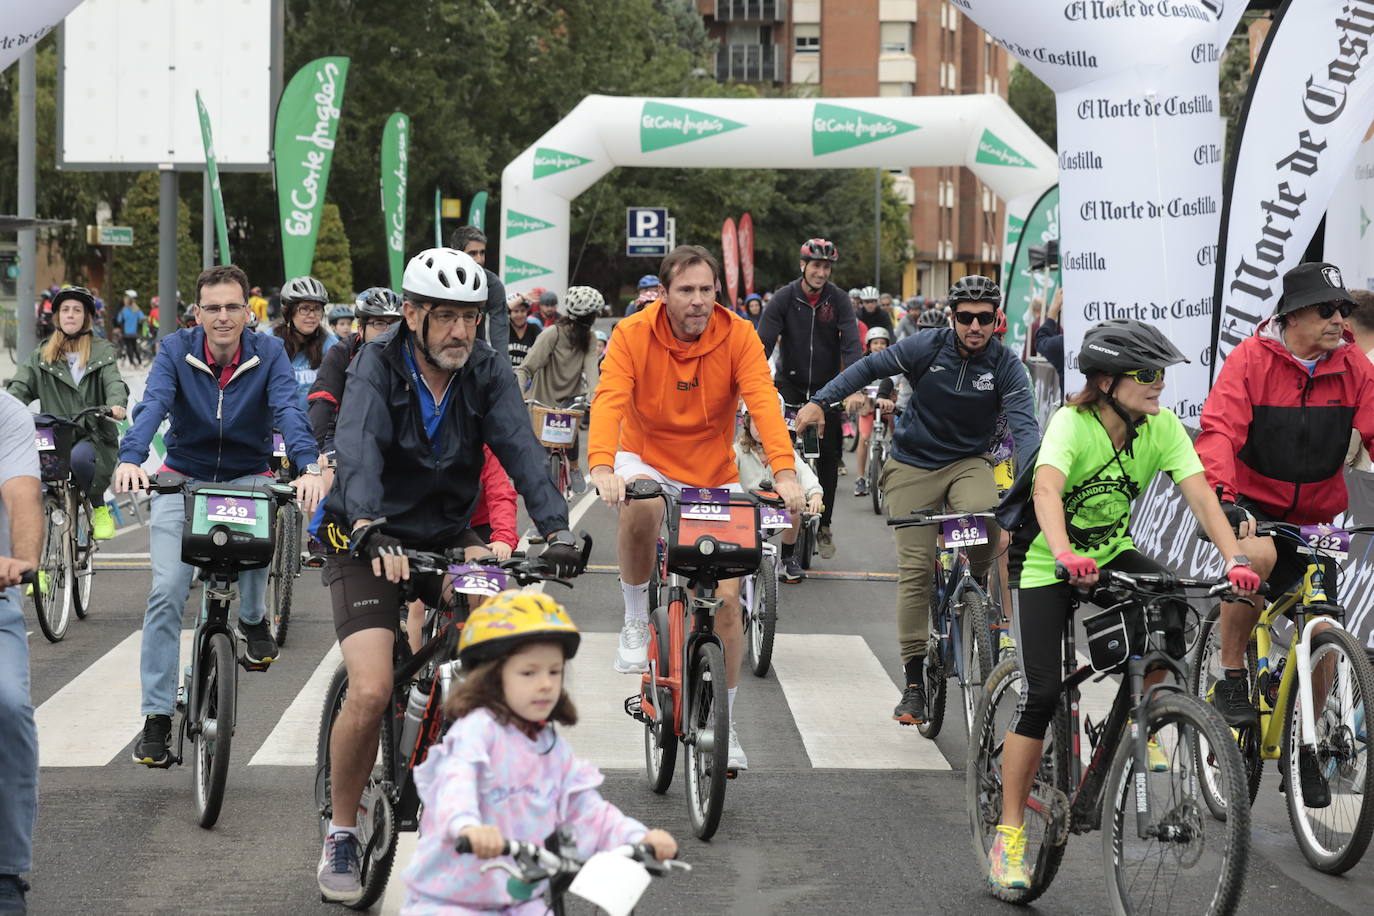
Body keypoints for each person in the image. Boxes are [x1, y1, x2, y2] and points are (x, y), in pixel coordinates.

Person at [315, 247, 583, 905]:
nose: (461, 331)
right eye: (446, 318)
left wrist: (554, 528)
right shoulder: (374, 366)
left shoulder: (486, 370)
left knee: (498, 646)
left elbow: (519, 445)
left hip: (446, 537)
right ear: (411, 314)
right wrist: (372, 526)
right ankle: (343, 832)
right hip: (364, 533)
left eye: (471, 317)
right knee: (374, 687)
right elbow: (357, 446)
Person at [988, 318, 1259, 889]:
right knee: (1040, 694)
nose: (1159, 384)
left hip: (1112, 551)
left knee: (1171, 619)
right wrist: (1063, 554)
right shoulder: (1073, 423)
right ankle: (1009, 833)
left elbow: (1202, 497)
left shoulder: (1159, 428)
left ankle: (1139, 718)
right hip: (1047, 561)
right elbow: (1045, 491)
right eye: (1147, 374)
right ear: (1106, 381)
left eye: (1162, 373)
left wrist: (1234, 557)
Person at [589, 244, 804, 773]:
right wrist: (601, 466)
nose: (698, 301)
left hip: (713, 473)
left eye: (707, 290)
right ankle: (638, 617)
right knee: (640, 508)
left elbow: (762, 402)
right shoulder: (632, 334)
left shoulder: (739, 335)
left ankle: (721, 726)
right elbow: (610, 397)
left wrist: (784, 471)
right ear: (663, 295)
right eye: (686, 290)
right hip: (645, 458)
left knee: (728, 603)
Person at [794, 275, 1040, 727]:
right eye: (966, 317)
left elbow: (1025, 430)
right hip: (912, 465)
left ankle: (975, 584)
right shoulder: (927, 347)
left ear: (995, 320)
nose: (975, 326)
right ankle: (913, 684)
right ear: (953, 317)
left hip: (969, 462)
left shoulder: (1006, 365)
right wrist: (821, 402)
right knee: (914, 571)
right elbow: (868, 370)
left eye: (985, 319)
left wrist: (1036, 486)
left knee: (989, 526)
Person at [114, 264, 326, 769]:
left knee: (258, 537)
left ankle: (252, 620)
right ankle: (157, 719)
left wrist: (309, 465)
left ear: (247, 313)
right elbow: (154, 405)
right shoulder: (173, 350)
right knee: (166, 592)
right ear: (197, 313)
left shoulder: (268, 352)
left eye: (234, 307)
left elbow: (289, 412)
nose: (224, 317)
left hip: (245, 474)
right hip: (182, 476)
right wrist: (130, 458)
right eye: (213, 308)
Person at [1198, 263, 1374, 791]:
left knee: (1322, 624)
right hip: (1255, 505)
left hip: (1318, 517)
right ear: (1293, 313)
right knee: (1257, 561)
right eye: (1326, 309)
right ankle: (1231, 675)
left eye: (1343, 309)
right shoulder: (1250, 360)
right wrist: (1224, 501)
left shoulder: (1355, 367)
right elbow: (1218, 434)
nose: (1338, 319)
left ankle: (1309, 740)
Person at [397, 591, 677, 913]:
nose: (545, 684)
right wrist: (468, 826)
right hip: (452, 900)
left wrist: (636, 838)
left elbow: (586, 810)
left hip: (519, 898)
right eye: (529, 673)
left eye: (553, 672)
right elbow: (454, 788)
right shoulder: (475, 734)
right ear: (491, 677)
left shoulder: (548, 745)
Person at [756, 238, 862, 560]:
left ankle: (825, 523)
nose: (821, 271)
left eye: (826, 267)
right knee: (779, 452)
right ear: (803, 266)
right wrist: (753, 385)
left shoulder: (839, 300)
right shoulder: (784, 298)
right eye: (816, 265)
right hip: (789, 387)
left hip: (828, 390)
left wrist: (854, 386)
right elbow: (762, 343)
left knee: (829, 457)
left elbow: (852, 346)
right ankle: (777, 515)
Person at [5, 287, 129, 540]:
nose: (70, 315)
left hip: (91, 435)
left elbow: (113, 383)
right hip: (53, 436)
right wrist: (6, 406)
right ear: (57, 316)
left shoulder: (101, 351)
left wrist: (116, 404)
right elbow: (20, 386)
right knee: (31, 484)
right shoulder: (41, 355)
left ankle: (98, 506)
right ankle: (38, 566)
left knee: (80, 460)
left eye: (77, 310)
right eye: (65, 310)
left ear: (86, 317)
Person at [0, 392, 40, 913]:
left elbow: (23, 494)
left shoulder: (6, 412)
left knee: (8, 706)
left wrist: (23, 559)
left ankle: (6, 868)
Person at [514, 286, 603, 495]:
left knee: (571, 420)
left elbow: (592, 375)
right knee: (541, 462)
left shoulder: (589, 338)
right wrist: (517, 398)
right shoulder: (551, 334)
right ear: (589, 317)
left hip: (570, 400)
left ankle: (574, 468)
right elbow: (525, 368)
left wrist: (596, 399)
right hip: (541, 401)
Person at [307, 287, 404, 463]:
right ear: (360, 328)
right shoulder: (341, 352)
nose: (389, 332)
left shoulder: (411, 353)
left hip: (397, 435)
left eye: (395, 324)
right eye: (379, 323)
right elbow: (323, 402)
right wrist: (310, 457)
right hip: (343, 433)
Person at [735, 399, 823, 583]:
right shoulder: (738, 452)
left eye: (768, 422)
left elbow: (805, 473)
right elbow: (724, 475)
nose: (761, 427)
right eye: (756, 421)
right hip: (745, 509)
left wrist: (814, 495)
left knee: (794, 508)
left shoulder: (784, 451)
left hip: (775, 507)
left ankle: (787, 559)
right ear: (746, 423)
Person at [271, 275, 338, 410]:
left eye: (317, 308)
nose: (312, 315)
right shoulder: (269, 341)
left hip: (316, 426)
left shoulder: (330, 344)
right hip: (276, 427)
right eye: (305, 308)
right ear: (289, 312)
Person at [449, 226, 511, 365]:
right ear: (457, 254)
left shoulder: (492, 284)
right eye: (473, 253)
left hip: (474, 355)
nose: (479, 259)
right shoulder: (440, 278)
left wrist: (505, 373)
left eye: (482, 253)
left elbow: (499, 332)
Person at [849, 326, 891, 499]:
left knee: (896, 430)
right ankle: (860, 477)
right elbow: (855, 380)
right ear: (869, 345)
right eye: (875, 343)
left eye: (882, 343)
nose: (879, 346)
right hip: (867, 406)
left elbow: (899, 378)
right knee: (864, 439)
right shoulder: (863, 362)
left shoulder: (893, 361)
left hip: (886, 405)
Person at [506, 294, 541, 367]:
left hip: (528, 375)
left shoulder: (534, 329)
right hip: (507, 375)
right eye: (516, 311)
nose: (519, 315)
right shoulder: (504, 329)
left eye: (523, 311)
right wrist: (522, 298)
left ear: (527, 312)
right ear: (509, 313)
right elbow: (499, 310)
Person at [116, 293, 145, 366]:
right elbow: (142, 318)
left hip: (126, 332)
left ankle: (132, 363)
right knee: (135, 347)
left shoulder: (124, 310)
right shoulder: (137, 309)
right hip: (134, 332)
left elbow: (119, 320)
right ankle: (140, 363)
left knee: (129, 347)